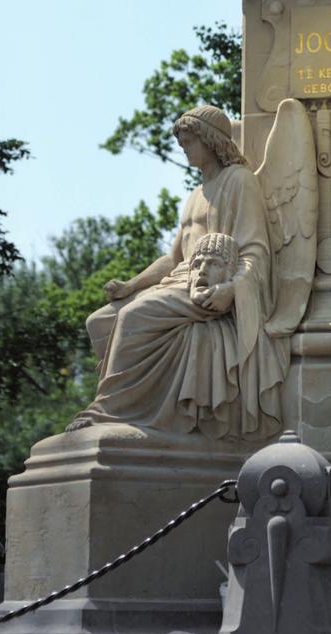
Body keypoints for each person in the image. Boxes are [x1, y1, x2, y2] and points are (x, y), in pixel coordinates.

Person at [70, 106, 276, 439]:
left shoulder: (239, 181)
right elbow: (175, 257)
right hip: (180, 279)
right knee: (99, 323)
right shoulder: (195, 194)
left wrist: (232, 289)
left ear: (211, 140)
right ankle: (142, 405)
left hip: (210, 284)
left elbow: (255, 251)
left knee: (134, 316)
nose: (184, 148)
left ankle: (108, 410)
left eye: (189, 141)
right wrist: (131, 285)